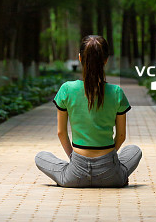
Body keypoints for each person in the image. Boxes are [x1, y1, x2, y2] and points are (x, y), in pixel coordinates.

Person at [35, 35, 142, 187]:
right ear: (106, 60)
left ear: (80, 58)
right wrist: (109, 159)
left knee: (41, 157)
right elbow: (121, 136)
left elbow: (61, 132)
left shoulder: (67, 89)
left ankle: (71, 174)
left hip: (75, 175)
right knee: (134, 150)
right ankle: (119, 175)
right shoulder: (116, 92)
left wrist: (74, 159)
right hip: (110, 174)